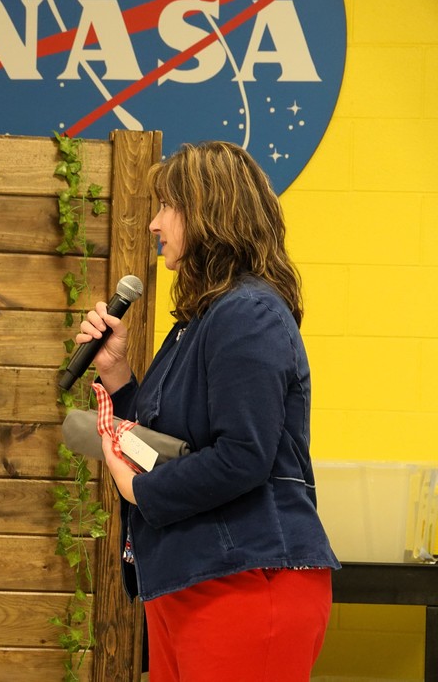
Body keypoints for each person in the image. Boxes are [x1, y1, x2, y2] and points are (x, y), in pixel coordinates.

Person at [76, 141, 340, 681]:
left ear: (208, 211)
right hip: (190, 578)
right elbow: (163, 444)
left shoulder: (248, 313)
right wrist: (117, 374)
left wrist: (140, 490)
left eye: (166, 206)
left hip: (246, 581)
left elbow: (243, 456)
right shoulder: (200, 320)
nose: (154, 223)